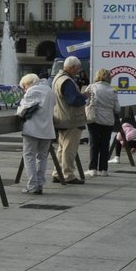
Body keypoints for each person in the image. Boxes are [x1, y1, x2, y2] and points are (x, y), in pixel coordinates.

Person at [15, 72, 55, 194]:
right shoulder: (49, 90)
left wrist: (20, 107)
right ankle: (40, 184)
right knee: (42, 157)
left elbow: (21, 111)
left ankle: (32, 185)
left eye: (24, 87)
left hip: (33, 129)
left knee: (29, 156)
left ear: (28, 84)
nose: (24, 90)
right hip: (47, 130)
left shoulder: (33, 91)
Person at [51, 55, 87, 184]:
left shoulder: (57, 78)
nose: (78, 71)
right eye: (77, 69)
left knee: (62, 148)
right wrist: (84, 96)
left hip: (61, 118)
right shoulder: (67, 81)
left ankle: (57, 173)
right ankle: (68, 175)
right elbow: (74, 100)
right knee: (69, 149)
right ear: (72, 68)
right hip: (70, 119)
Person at [84, 68, 119, 176]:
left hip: (94, 119)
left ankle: (93, 169)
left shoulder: (92, 87)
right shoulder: (112, 91)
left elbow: (86, 102)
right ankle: (104, 170)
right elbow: (117, 109)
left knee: (94, 144)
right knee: (105, 145)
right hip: (108, 121)